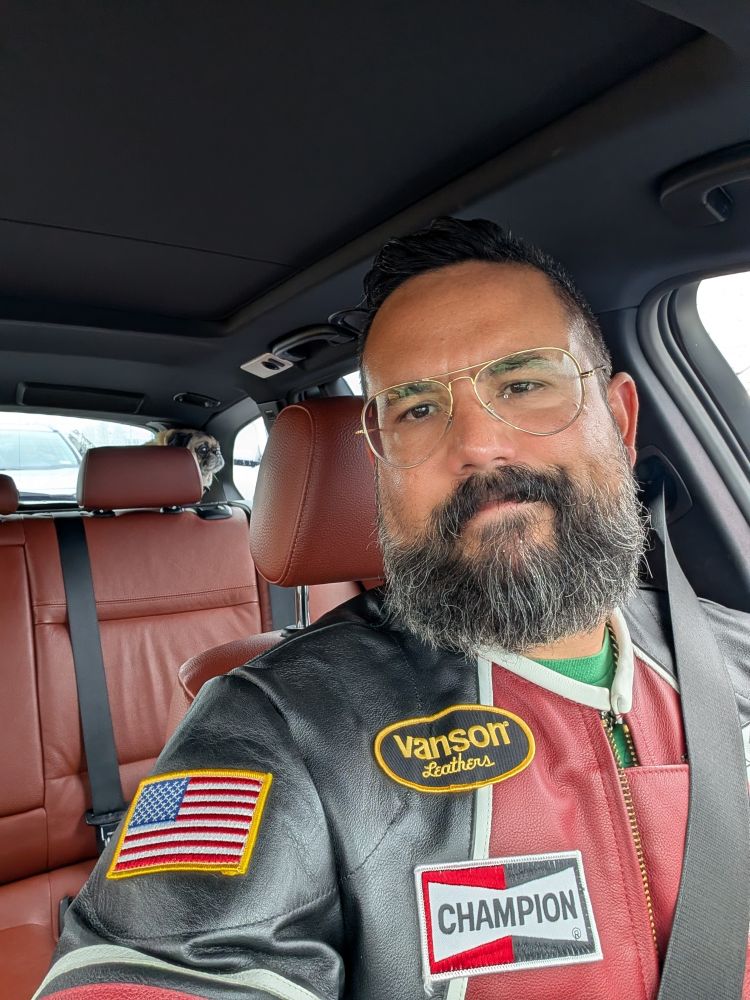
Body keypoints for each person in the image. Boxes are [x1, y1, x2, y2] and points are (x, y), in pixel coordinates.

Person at [35, 218, 750, 1000]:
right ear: (379, 474)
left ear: (620, 420)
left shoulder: (735, 657)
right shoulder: (277, 729)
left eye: (523, 384)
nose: (477, 443)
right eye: (416, 411)